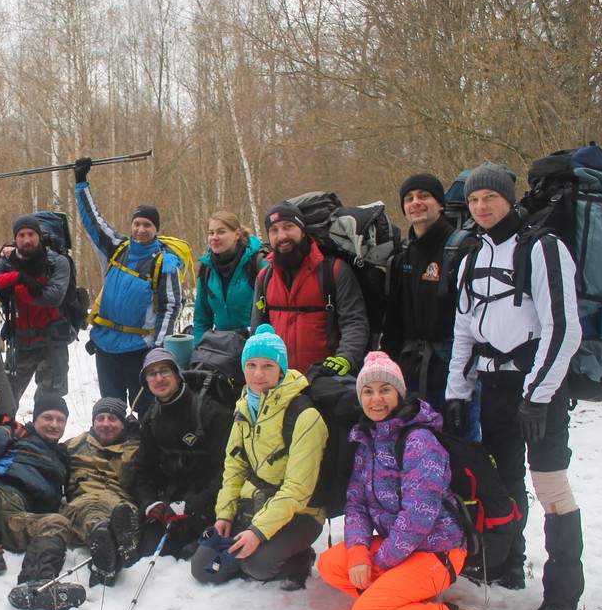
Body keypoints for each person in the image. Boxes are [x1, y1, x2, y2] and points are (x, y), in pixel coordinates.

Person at [446, 163, 583, 610]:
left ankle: (563, 596)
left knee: (551, 489)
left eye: (491, 197)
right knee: (502, 482)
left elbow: (563, 328)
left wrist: (538, 395)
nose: (482, 207)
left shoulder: (543, 249)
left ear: (510, 200)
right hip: (494, 388)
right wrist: (458, 393)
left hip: (539, 389)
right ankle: (509, 565)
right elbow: (464, 331)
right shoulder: (471, 255)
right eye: (475, 199)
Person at [317, 351, 483, 610]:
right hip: (400, 548)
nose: (376, 398)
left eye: (384, 389)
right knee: (332, 565)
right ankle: (402, 599)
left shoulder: (420, 440)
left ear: (399, 394)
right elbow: (356, 504)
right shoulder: (368, 439)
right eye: (368, 391)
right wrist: (357, 551)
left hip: (438, 550)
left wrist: (381, 560)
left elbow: (420, 514)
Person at [191, 325, 325, 589]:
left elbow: (298, 488)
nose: (258, 374)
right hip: (255, 503)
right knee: (203, 569)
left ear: (282, 369)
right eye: (251, 365)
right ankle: (253, 552)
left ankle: (299, 557)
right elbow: (235, 466)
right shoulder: (244, 407)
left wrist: (256, 532)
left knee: (257, 564)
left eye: (268, 365)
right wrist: (224, 515)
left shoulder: (305, 415)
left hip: (301, 512)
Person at [73, 156, 184, 414]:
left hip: (140, 349)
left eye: (147, 225)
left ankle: (146, 453)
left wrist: (158, 350)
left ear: (156, 229)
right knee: (110, 409)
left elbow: (171, 306)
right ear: (131, 225)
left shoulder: (164, 262)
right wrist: (81, 183)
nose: (141, 229)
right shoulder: (117, 248)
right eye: (137, 223)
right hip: (106, 345)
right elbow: (94, 221)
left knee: (145, 410)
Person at [0, 396, 86, 610]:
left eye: (60, 420)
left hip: (13, 515)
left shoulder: (64, 457)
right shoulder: (15, 433)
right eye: (47, 417)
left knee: (57, 522)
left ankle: (36, 586)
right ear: (35, 419)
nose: (54, 424)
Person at [380, 173, 479, 431]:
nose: (416, 203)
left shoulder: (463, 248)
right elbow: (394, 322)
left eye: (424, 196)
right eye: (409, 198)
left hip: (453, 374)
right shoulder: (402, 256)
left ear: (441, 204)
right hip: (410, 373)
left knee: (458, 450)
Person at [129, 349, 232, 560]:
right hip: (170, 502)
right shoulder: (151, 417)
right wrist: (150, 504)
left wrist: (191, 506)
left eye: (164, 371)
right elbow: (143, 469)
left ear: (177, 374)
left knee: (194, 554)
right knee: (147, 552)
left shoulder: (211, 413)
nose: (159, 378)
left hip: (209, 503)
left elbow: (229, 471)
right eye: (151, 373)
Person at [250, 200, 369, 378]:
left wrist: (346, 357)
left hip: (326, 380)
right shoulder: (264, 277)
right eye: (274, 230)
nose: (281, 236)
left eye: (288, 226)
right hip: (280, 382)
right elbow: (257, 330)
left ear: (303, 231)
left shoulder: (334, 271)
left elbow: (354, 321)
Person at [0, 214, 73, 404]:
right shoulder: (6, 263)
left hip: (52, 342)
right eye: (21, 235)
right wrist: (17, 277)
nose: (27, 240)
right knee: (4, 402)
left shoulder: (57, 262)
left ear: (39, 236)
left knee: (49, 405)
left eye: (31, 234)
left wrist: (12, 288)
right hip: (19, 342)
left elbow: (53, 297)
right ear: (15, 239)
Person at [61, 397, 142, 587]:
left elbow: (133, 479)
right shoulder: (75, 444)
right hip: (84, 501)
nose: (106, 424)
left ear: (123, 424)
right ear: (93, 422)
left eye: (113, 419)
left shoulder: (134, 447)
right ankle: (108, 536)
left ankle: (109, 551)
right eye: (100, 418)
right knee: (93, 512)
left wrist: (135, 440)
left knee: (125, 515)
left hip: (121, 503)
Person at [193, 212, 265, 342]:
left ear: (237, 234)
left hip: (255, 347)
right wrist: (199, 349)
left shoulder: (257, 265)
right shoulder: (207, 268)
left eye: (221, 232)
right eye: (211, 233)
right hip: (222, 347)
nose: (214, 237)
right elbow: (201, 319)